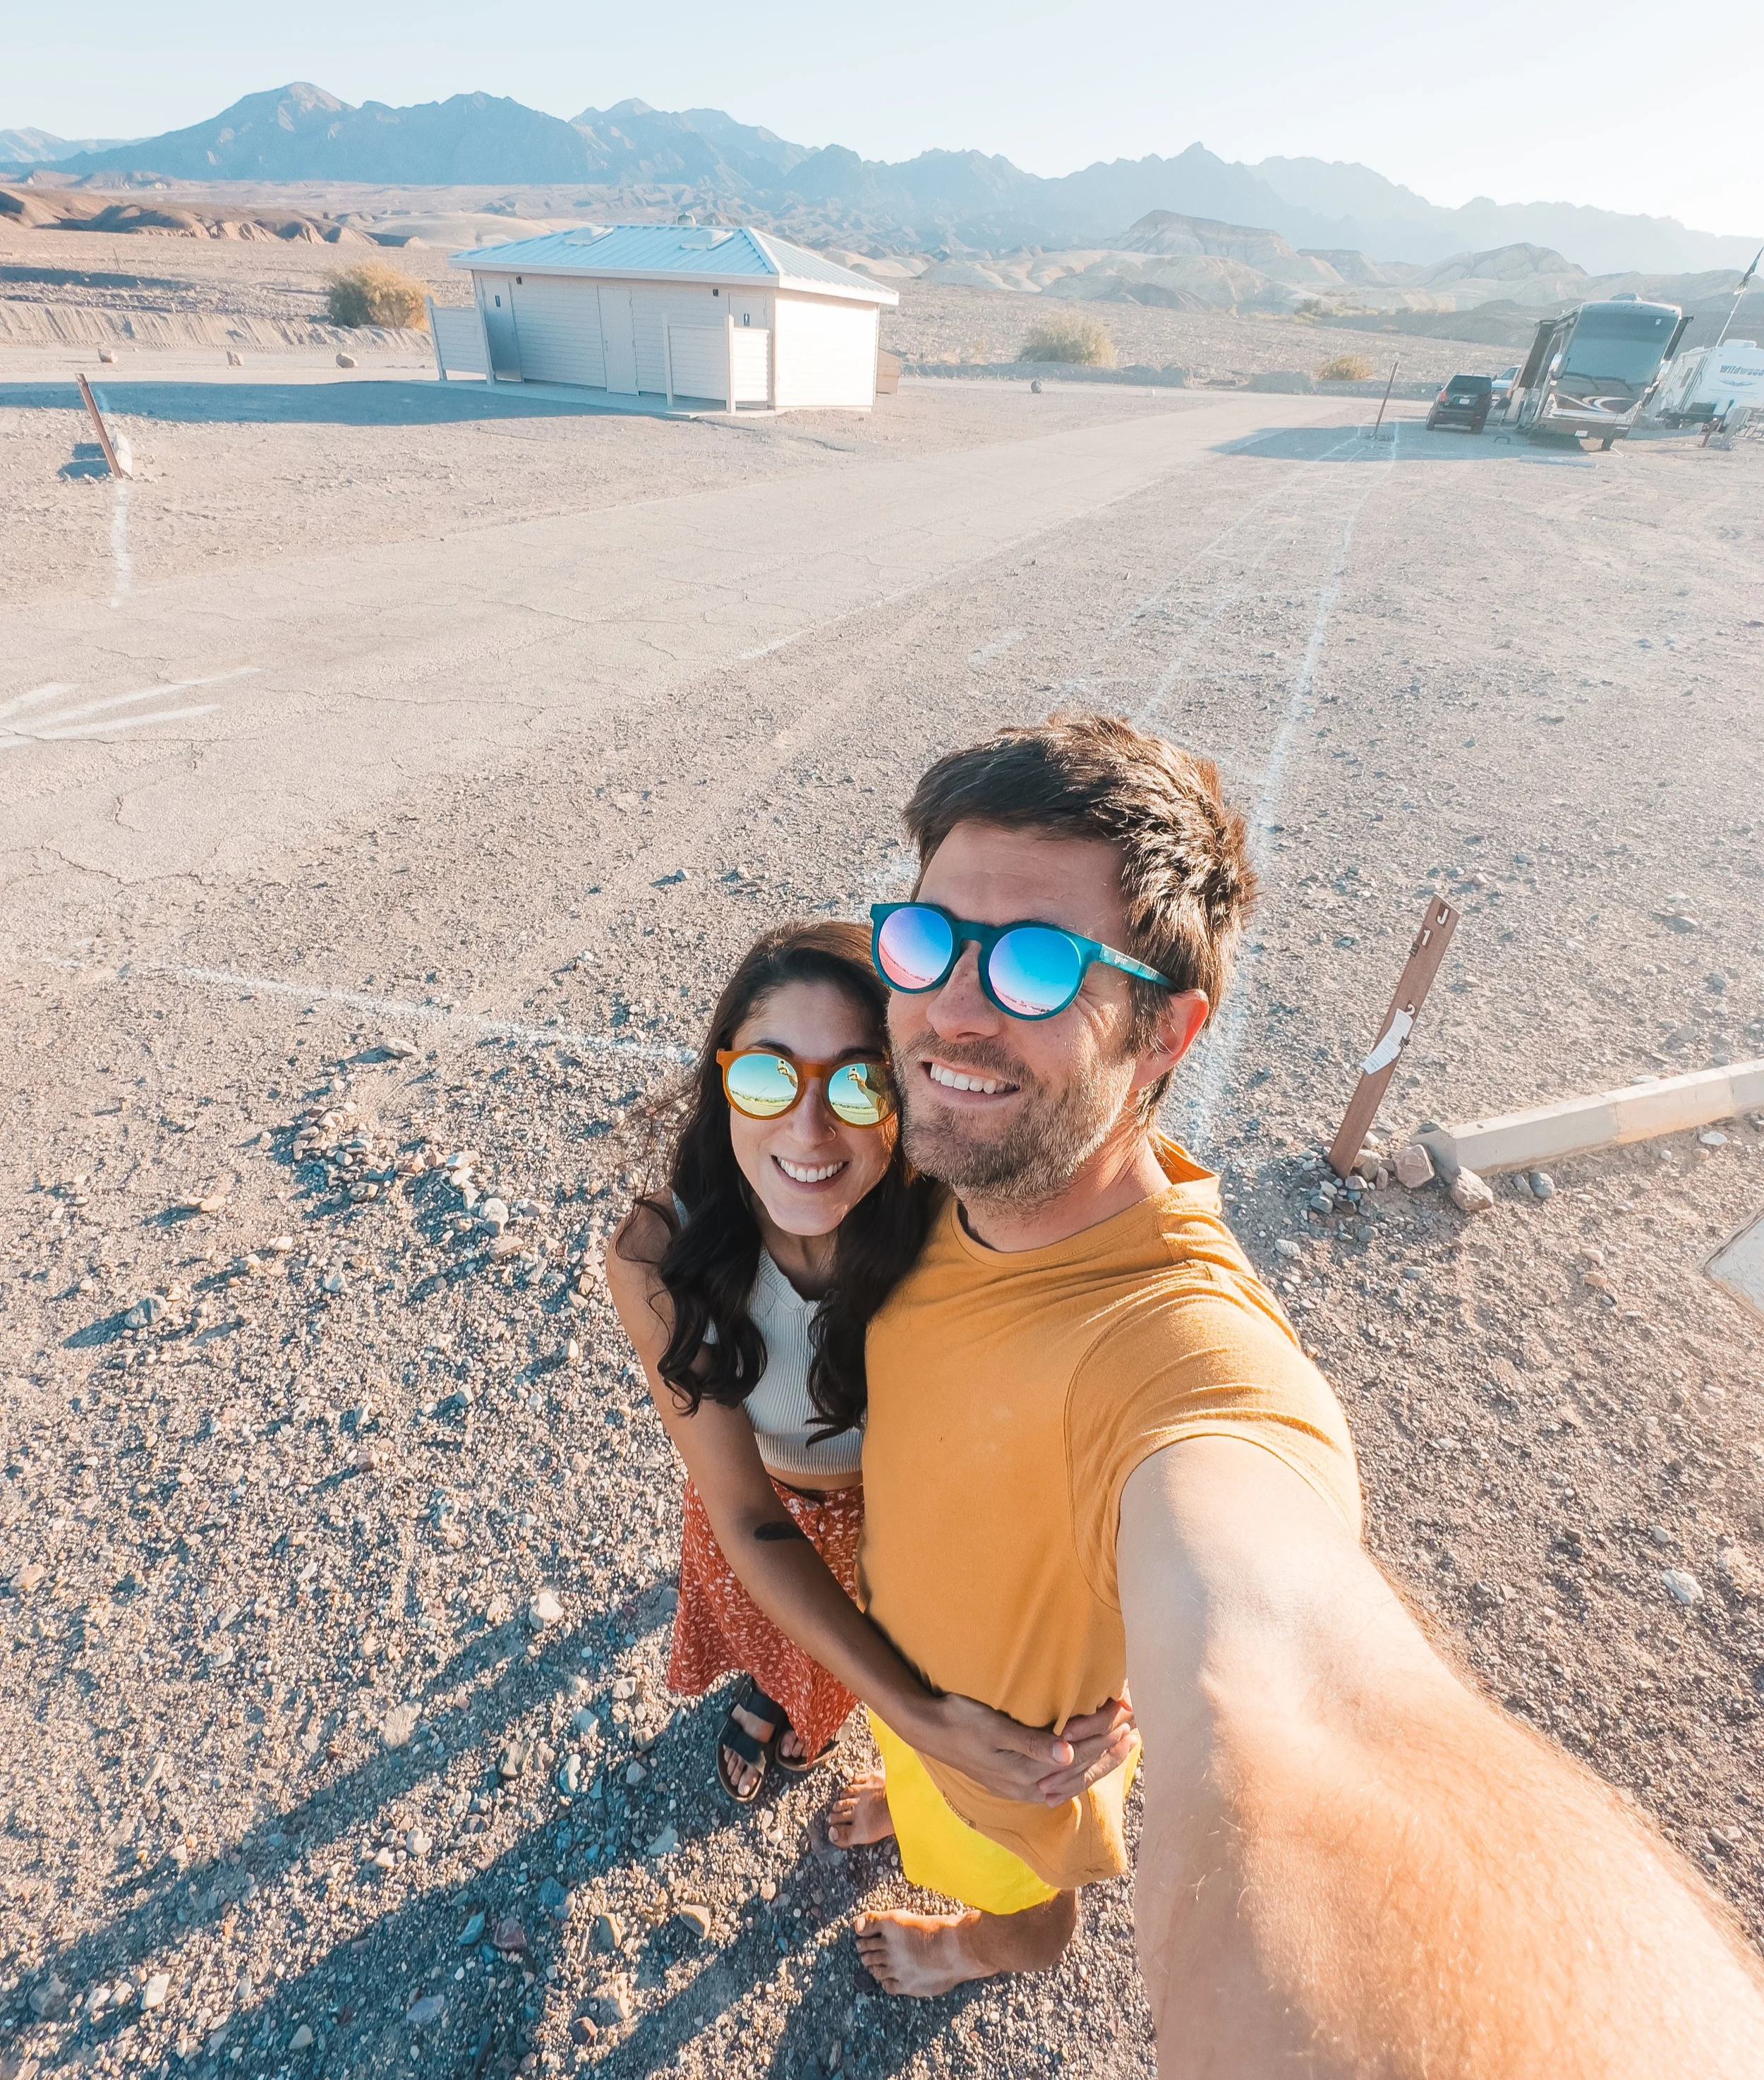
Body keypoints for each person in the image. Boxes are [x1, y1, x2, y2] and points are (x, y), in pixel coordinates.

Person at [840, 712, 1764, 2077]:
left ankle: (974, 1946)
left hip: (1022, 1756)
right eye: (925, 939)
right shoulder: (939, 1158)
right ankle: (911, 1784)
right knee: (916, 1778)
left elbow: (1310, 1686)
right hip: (912, 1685)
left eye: (1036, 963)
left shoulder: (1183, 1353)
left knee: (1015, 1897)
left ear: (1167, 1031)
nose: (952, 1009)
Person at [606, 920, 1136, 1813]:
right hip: (766, 1510)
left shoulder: (959, 1226)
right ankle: (789, 1707)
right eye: (769, 1074)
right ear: (723, 1078)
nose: (809, 1131)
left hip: (913, 1519)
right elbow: (746, 1514)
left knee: (882, 1669)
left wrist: (1114, 1656)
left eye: (859, 1081)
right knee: (783, 1645)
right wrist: (927, 1721)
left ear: (909, 1093)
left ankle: (846, 1748)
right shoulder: (659, 1250)